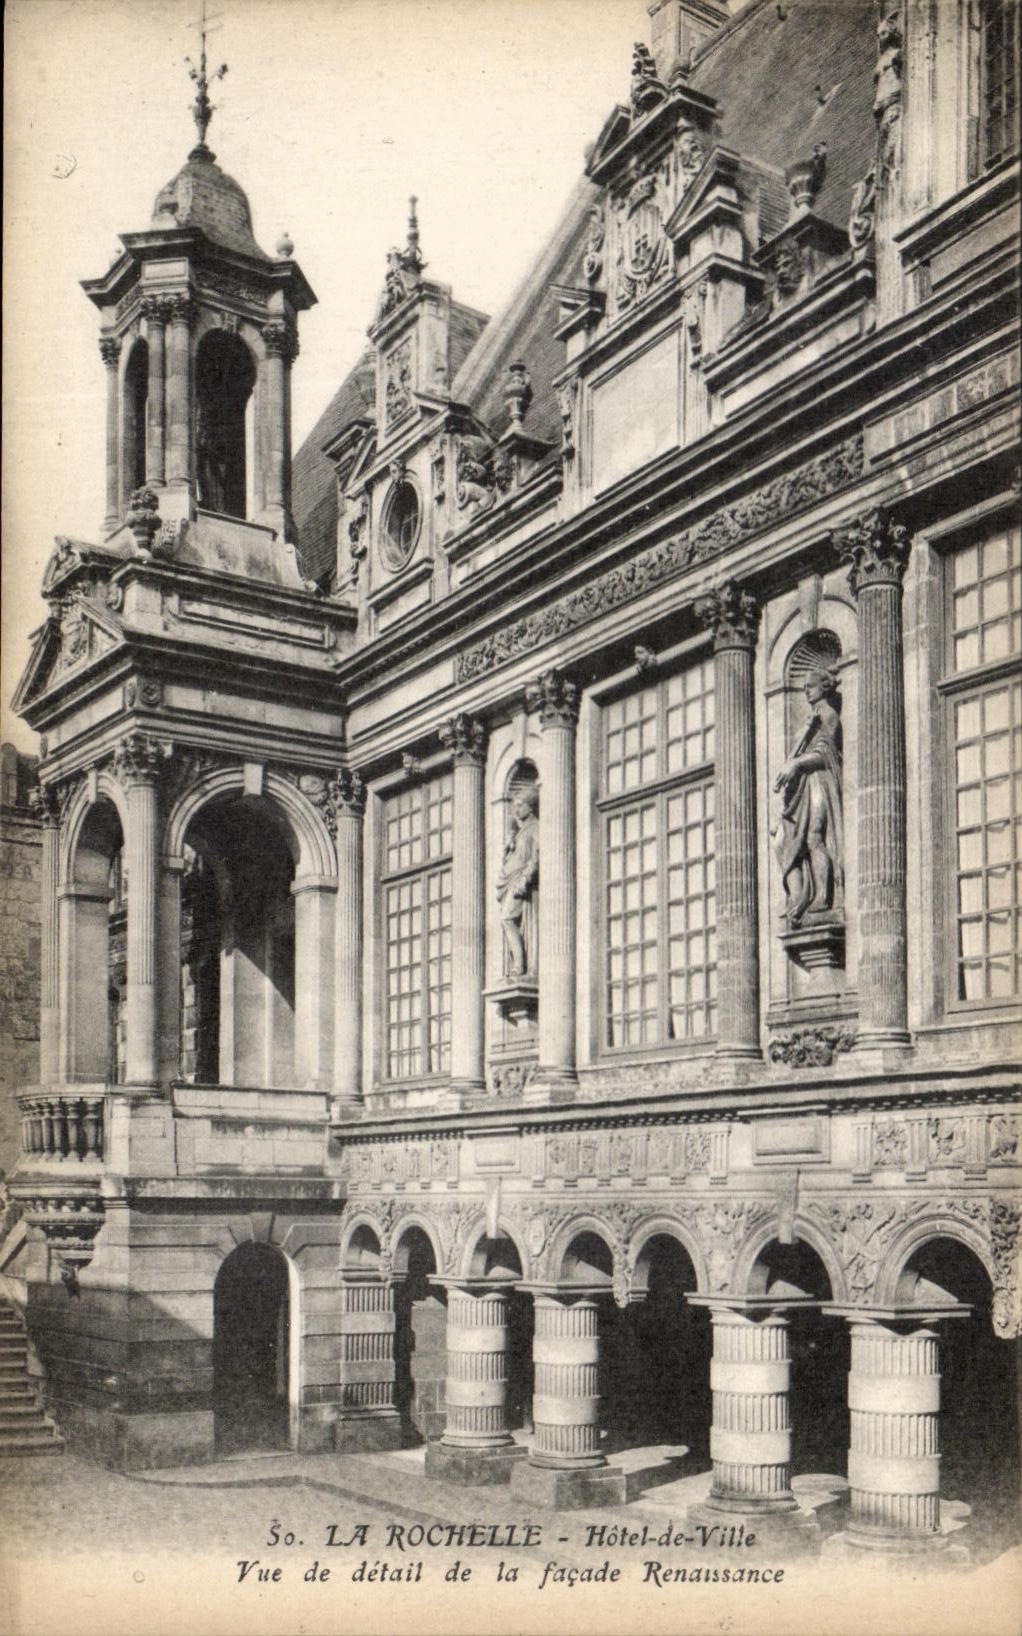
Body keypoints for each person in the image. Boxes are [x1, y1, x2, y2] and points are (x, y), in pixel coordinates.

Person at [773, 667, 844, 925]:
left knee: (815, 837)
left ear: (823, 686)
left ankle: (823, 897)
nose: (806, 689)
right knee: (783, 841)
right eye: (803, 686)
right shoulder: (810, 719)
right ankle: (797, 898)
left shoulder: (829, 715)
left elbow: (826, 753)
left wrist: (796, 764)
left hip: (818, 781)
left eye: (810, 685)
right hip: (801, 787)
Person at [497, 788, 539, 978]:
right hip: (509, 882)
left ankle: (520, 966)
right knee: (506, 920)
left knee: (507, 919)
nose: (516, 809)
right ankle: (518, 965)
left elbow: (536, 857)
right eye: (514, 805)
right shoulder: (519, 832)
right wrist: (509, 846)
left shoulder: (535, 827)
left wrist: (525, 881)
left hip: (520, 883)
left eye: (520, 805)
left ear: (530, 807)